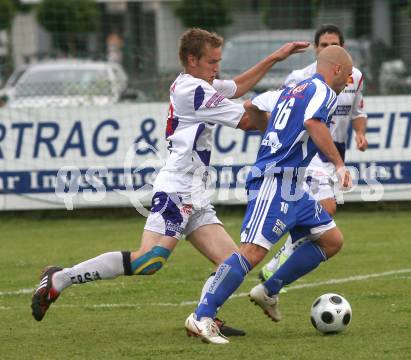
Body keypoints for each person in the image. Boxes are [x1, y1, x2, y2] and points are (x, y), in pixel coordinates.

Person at [31, 28, 309, 337]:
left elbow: (237, 86)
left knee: (232, 262)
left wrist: (274, 58)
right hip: (178, 188)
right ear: (193, 60)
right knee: (149, 260)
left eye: (218, 61)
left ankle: (205, 317)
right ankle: (60, 279)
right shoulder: (194, 90)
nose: (217, 68)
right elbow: (247, 120)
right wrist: (288, 109)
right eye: (212, 61)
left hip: (196, 191)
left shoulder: (199, 83)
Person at [185, 45, 353, 344]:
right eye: (348, 74)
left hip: (293, 185)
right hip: (274, 181)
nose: (350, 81)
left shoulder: (294, 88)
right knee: (250, 253)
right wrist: (339, 165)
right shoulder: (324, 91)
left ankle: (269, 289)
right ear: (337, 69)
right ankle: (202, 316)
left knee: (330, 240)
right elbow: (313, 123)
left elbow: (255, 109)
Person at [259, 24, 368, 283]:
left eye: (335, 45)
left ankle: (275, 267)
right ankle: (278, 263)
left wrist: (360, 132)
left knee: (319, 214)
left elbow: (358, 111)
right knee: (327, 208)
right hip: (310, 153)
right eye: (324, 44)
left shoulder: (355, 76)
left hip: (334, 152)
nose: (330, 48)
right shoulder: (300, 77)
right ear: (316, 49)